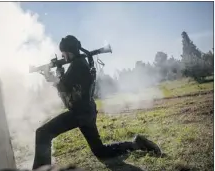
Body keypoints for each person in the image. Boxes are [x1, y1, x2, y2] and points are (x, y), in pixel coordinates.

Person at [32, 35, 161, 170]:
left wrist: (53, 78)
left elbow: (64, 86)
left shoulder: (77, 66)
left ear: (69, 51)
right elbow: (69, 86)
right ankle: (137, 144)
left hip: (80, 113)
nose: (62, 56)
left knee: (43, 133)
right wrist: (58, 76)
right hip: (86, 111)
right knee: (101, 152)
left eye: (63, 53)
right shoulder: (80, 63)